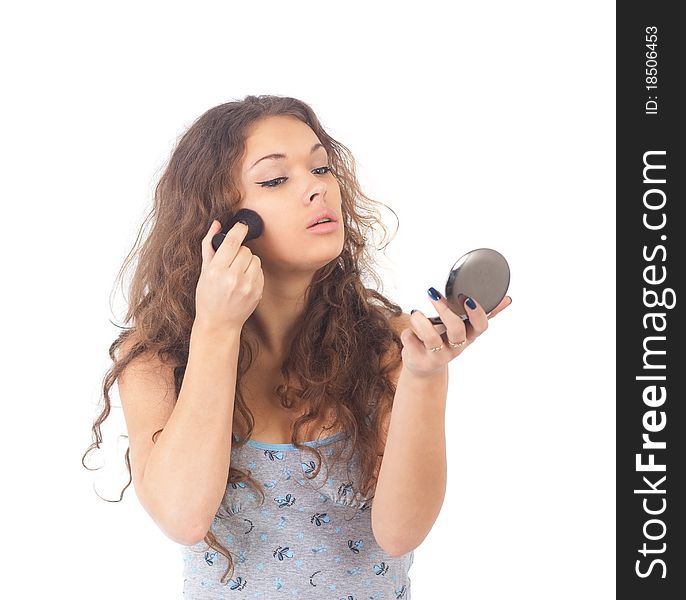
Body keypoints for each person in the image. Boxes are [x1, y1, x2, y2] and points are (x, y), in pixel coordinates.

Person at [82, 94, 510, 598]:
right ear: (222, 226)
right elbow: (182, 517)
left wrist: (426, 376)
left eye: (321, 167)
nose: (316, 189)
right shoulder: (158, 363)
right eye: (275, 179)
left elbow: (400, 534)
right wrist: (216, 330)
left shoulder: (387, 349)